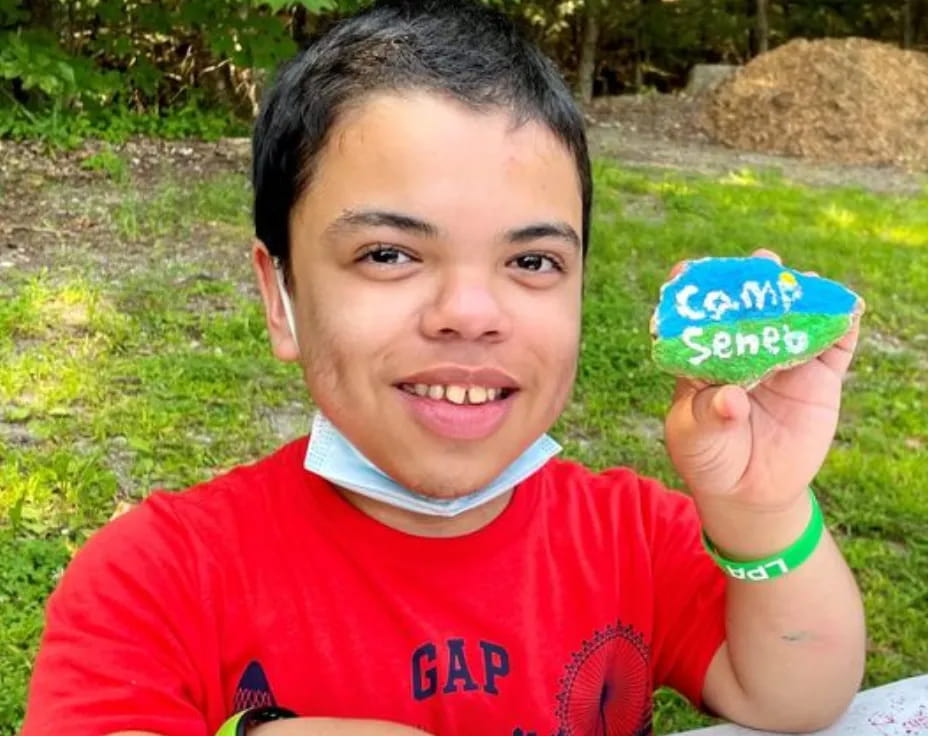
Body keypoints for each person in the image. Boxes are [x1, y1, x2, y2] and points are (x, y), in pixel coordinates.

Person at [22, 1, 867, 734]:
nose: (471, 312)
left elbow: (798, 696)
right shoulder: (154, 581)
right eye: (389, 253)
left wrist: (762, 509)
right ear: (279, 294)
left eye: (533, 262)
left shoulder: (632, 541)